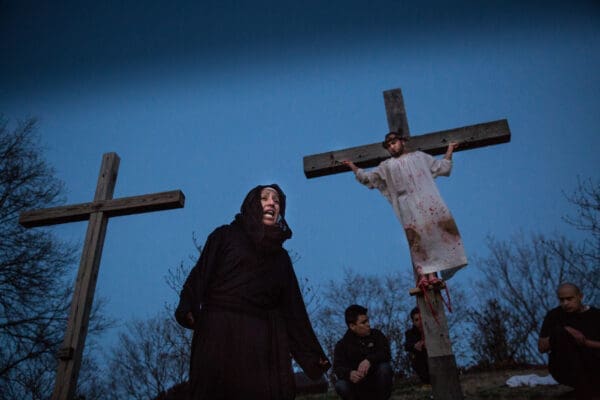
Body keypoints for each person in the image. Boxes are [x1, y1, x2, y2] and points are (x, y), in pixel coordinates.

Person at [175, 184, 330, 400]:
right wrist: (188, 305)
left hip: (261, 340)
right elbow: (200, 273)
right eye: (264, 198)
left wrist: (311, 354)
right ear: (251, 205)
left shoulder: (281, 258)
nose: (272, 203)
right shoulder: (225, 236)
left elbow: (293, 309)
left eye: (276, 201)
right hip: (221, 331)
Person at [343, 131, 467, 287]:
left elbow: (441, 168)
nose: (392, 147)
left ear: (402, 141)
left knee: (434, 234)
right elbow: (368, 178)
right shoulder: (387, 166)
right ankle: (424, 275)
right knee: (416, 238)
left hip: (427, 201)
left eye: (394, 143)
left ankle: (434, 274)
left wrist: (450, 150)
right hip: (406, 205)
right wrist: (353, 167)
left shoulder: (419, 157)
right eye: (388, 146)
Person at [538, 283, 600, 399]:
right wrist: (565, 331)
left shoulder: (596, 315)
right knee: (559, 332)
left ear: (580, 297)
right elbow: (541, 348)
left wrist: (585, 342)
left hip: (593, 363)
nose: (565, 303)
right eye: (562, 300)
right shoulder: (554, 315)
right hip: (564, 366)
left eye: (569, 299)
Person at [333, 304, 393, 400]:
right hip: (357, 387)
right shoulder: (342, 345)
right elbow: (337, 367)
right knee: (341, 385)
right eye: (363, 322)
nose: (368, 324)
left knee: (385, 368)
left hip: (376, 382)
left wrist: (369, 360)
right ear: (352, 326)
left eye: (368, 320)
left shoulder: (376, 335)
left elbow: (386, 353)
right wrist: (349, 373)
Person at [404, 307, 429, 383]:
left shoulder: (431, 328)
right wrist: (415, 345)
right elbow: (407, 345)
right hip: (421, 358)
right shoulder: (410, 333)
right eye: (417, 320)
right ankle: (426, 382)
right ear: (413, 322)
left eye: (421, 318)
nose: (420, 322)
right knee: (416, 358)